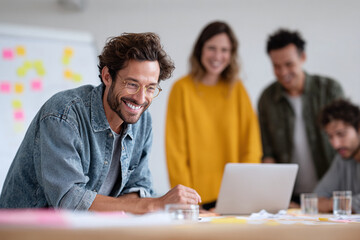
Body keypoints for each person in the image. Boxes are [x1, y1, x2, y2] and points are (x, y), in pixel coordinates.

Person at [0, 32, 201, 213]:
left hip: (88, 232)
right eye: (132, 84)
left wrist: (141, 205)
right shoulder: (62, 115)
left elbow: (138, 186)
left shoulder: (142, 121)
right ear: (107, 76)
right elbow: (68, 200)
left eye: (150, 88)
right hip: (28, 232)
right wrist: (152, 204)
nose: (141, 99)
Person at [166, 21, 262, 210]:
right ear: (200, 49)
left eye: (224, 50)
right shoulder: (181, 89)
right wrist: (187, 199)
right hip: (196, 201)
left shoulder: (237, 90)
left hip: (235, 198)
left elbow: (251, 146)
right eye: (212, 48)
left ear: (231, 54)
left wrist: (244, 192)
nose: (218, 56)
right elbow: (175, 152)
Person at [257, 29, 344, 205]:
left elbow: (345, 142)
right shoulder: (267, 98)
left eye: (289, 64)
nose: (283, 72)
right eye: (276, 66)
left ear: (302, 57)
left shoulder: (329, 89)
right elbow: (268, 154)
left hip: (332, 193)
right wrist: (274, 197)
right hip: (291, 198)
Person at [315, 99, 360, 213]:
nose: (335, 144)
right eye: (330, 136)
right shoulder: (342, 159)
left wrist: (331, 204)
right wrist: (347, 204)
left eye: (341, 134)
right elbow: (316, 199)